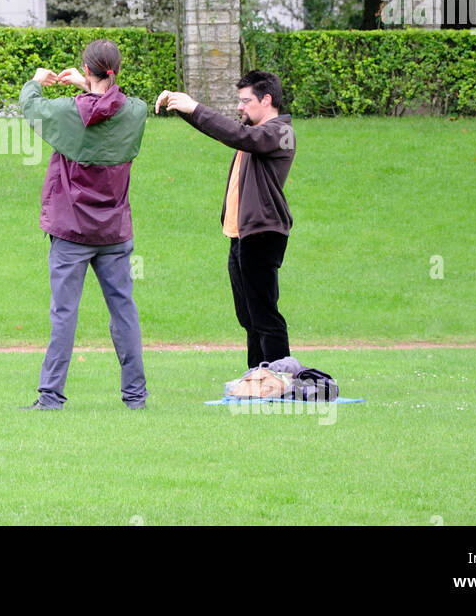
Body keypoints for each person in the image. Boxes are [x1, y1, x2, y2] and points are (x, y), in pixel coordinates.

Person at [19, 39, 149, 411]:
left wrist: (36, 80)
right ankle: (135, 397)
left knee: (64, 314)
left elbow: (31, 106)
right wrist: (87, 85)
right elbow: (119, 103)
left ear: (87, 69)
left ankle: (51, 398)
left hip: (71, 231)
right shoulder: (136, 112)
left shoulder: (66, 112)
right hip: (114, 231)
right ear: (116, 70)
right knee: (123, 310)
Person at [155, 70, 297, 368]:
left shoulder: (280, 133)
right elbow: (225, 131)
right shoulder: (254, 134)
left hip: (263, 233)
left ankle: (281, 378)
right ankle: (258, 376)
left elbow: (239, 135)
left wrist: (194, 105)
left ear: (267, 99)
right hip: (241, 235)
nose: (239, 107)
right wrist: (182, 109)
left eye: (245, 101)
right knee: (247, 316)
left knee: (264, 312)